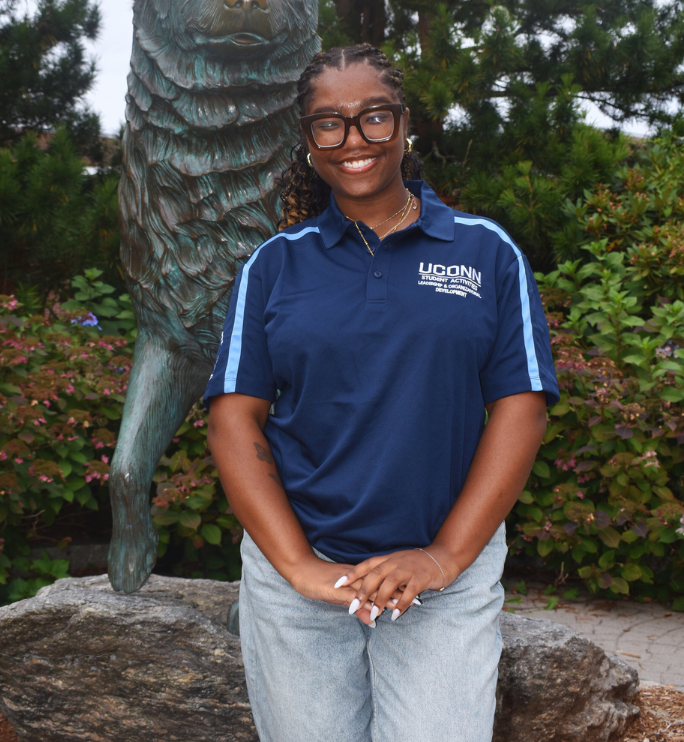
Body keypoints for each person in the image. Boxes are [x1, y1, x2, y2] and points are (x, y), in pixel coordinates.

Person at [204, 44, 559, 742]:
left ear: (404, 125)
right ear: (308, 142)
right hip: (300, 574)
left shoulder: (486, 252)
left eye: (373, 117)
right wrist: (300, 567)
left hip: (443, 572)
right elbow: (233, 418)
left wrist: (443, 558)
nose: (353, 139)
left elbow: (522, 406)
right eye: (328, 123)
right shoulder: (275, 265)